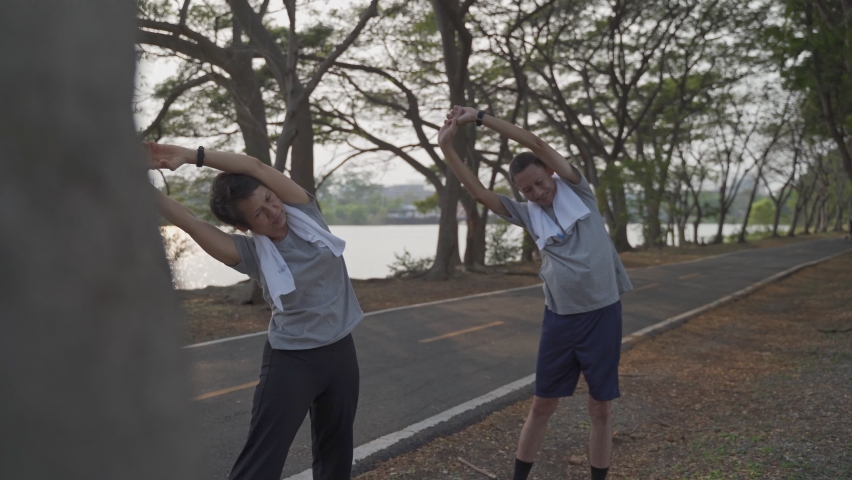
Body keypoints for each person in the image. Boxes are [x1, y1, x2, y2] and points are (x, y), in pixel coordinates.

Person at [144, 143, 362, 480]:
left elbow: (255, 166)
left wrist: (189, 156)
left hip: (341, 351)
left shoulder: (305, 212)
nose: (273, 212)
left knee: (336, 457)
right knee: (262, 461)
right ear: (246, 228)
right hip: (293, 361)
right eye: (259, 213)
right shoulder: (248, 253)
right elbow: (189, 221)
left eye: (270, 199)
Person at [437, 106, 632, 480]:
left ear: (551, 173)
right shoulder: (527, 213)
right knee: (542, 404)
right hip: (560, 319)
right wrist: (447, 147)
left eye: (541, 183)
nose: (538, 192)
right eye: (527, 189)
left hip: (602, 313)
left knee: (601, 409)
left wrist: (479, 117)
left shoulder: (579, 190)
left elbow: (534, 142)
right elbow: (478, 193)